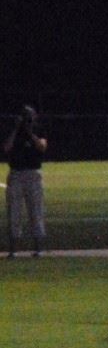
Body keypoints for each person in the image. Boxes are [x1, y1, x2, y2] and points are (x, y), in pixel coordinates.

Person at [4, 105, 48, 258]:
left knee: (36, 211)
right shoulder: (13, 132)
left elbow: (42, 147)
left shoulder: (38, 130)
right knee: (14, 213)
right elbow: (6, 148)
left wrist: (31, 133)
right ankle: (13, 250)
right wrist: (16, 129)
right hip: (16, 173)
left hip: (33, 174)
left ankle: (38, 249)